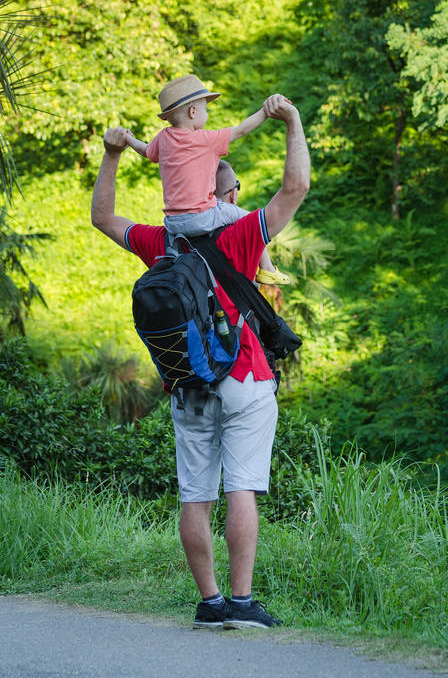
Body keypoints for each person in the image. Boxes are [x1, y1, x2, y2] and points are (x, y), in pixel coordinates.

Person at [91, 93, 310, 630]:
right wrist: (292, 122)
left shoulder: (161, 244)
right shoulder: (237, 234)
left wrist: (114, 153)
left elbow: (102, 217)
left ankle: (209, 602)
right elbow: (295, 188)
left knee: (196, 495)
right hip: (243, 375)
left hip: (186, 383)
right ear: (219, 186)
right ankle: (240, 602)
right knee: (241, 487)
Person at [124, 73, 288, 285]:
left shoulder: (163, 139)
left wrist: (129, 139)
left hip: (173, 224)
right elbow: (241, 130)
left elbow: (146, 151)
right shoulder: (205, 140)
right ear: (193, 112)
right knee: (251, 221)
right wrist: (266, 112)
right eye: (205, 109)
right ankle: (266, 269)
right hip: (202, 218)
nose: (206, 113)